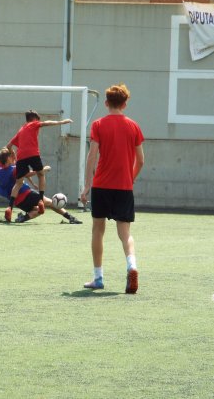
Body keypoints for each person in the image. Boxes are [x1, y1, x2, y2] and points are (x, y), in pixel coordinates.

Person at [80, 83, 144, 294]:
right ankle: (132, 266)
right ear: (125, 104)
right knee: (125, 233)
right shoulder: (134, 126)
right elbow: (141, 160)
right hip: (124, 187)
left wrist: (87, 185)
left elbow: (92, 156)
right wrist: (130, 178)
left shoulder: (98, 125)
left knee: (98, 230)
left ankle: (98, 278)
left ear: (106, 103)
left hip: (101, 185)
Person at [5, 110, 72, 222]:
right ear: (34, 118)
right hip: (33, 153)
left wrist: (15, 157)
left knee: (18, 183)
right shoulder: (33, 124)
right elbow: (47, 123)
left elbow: (8, 146)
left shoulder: (21, 129)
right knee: (41, 175)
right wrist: (62, 122)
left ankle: (9, 207)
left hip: (21, 156)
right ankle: (41, 200)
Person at [0, 148, 81, 224]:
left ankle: (23, 218)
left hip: (18, 202)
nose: (13, 157)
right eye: (11, 156)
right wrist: (43, 170)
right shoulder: (13, 169)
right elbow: (27, 174)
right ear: (8, 159)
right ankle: (71, 217)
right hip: (26, 194)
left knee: (38, 210)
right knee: (49, 202)